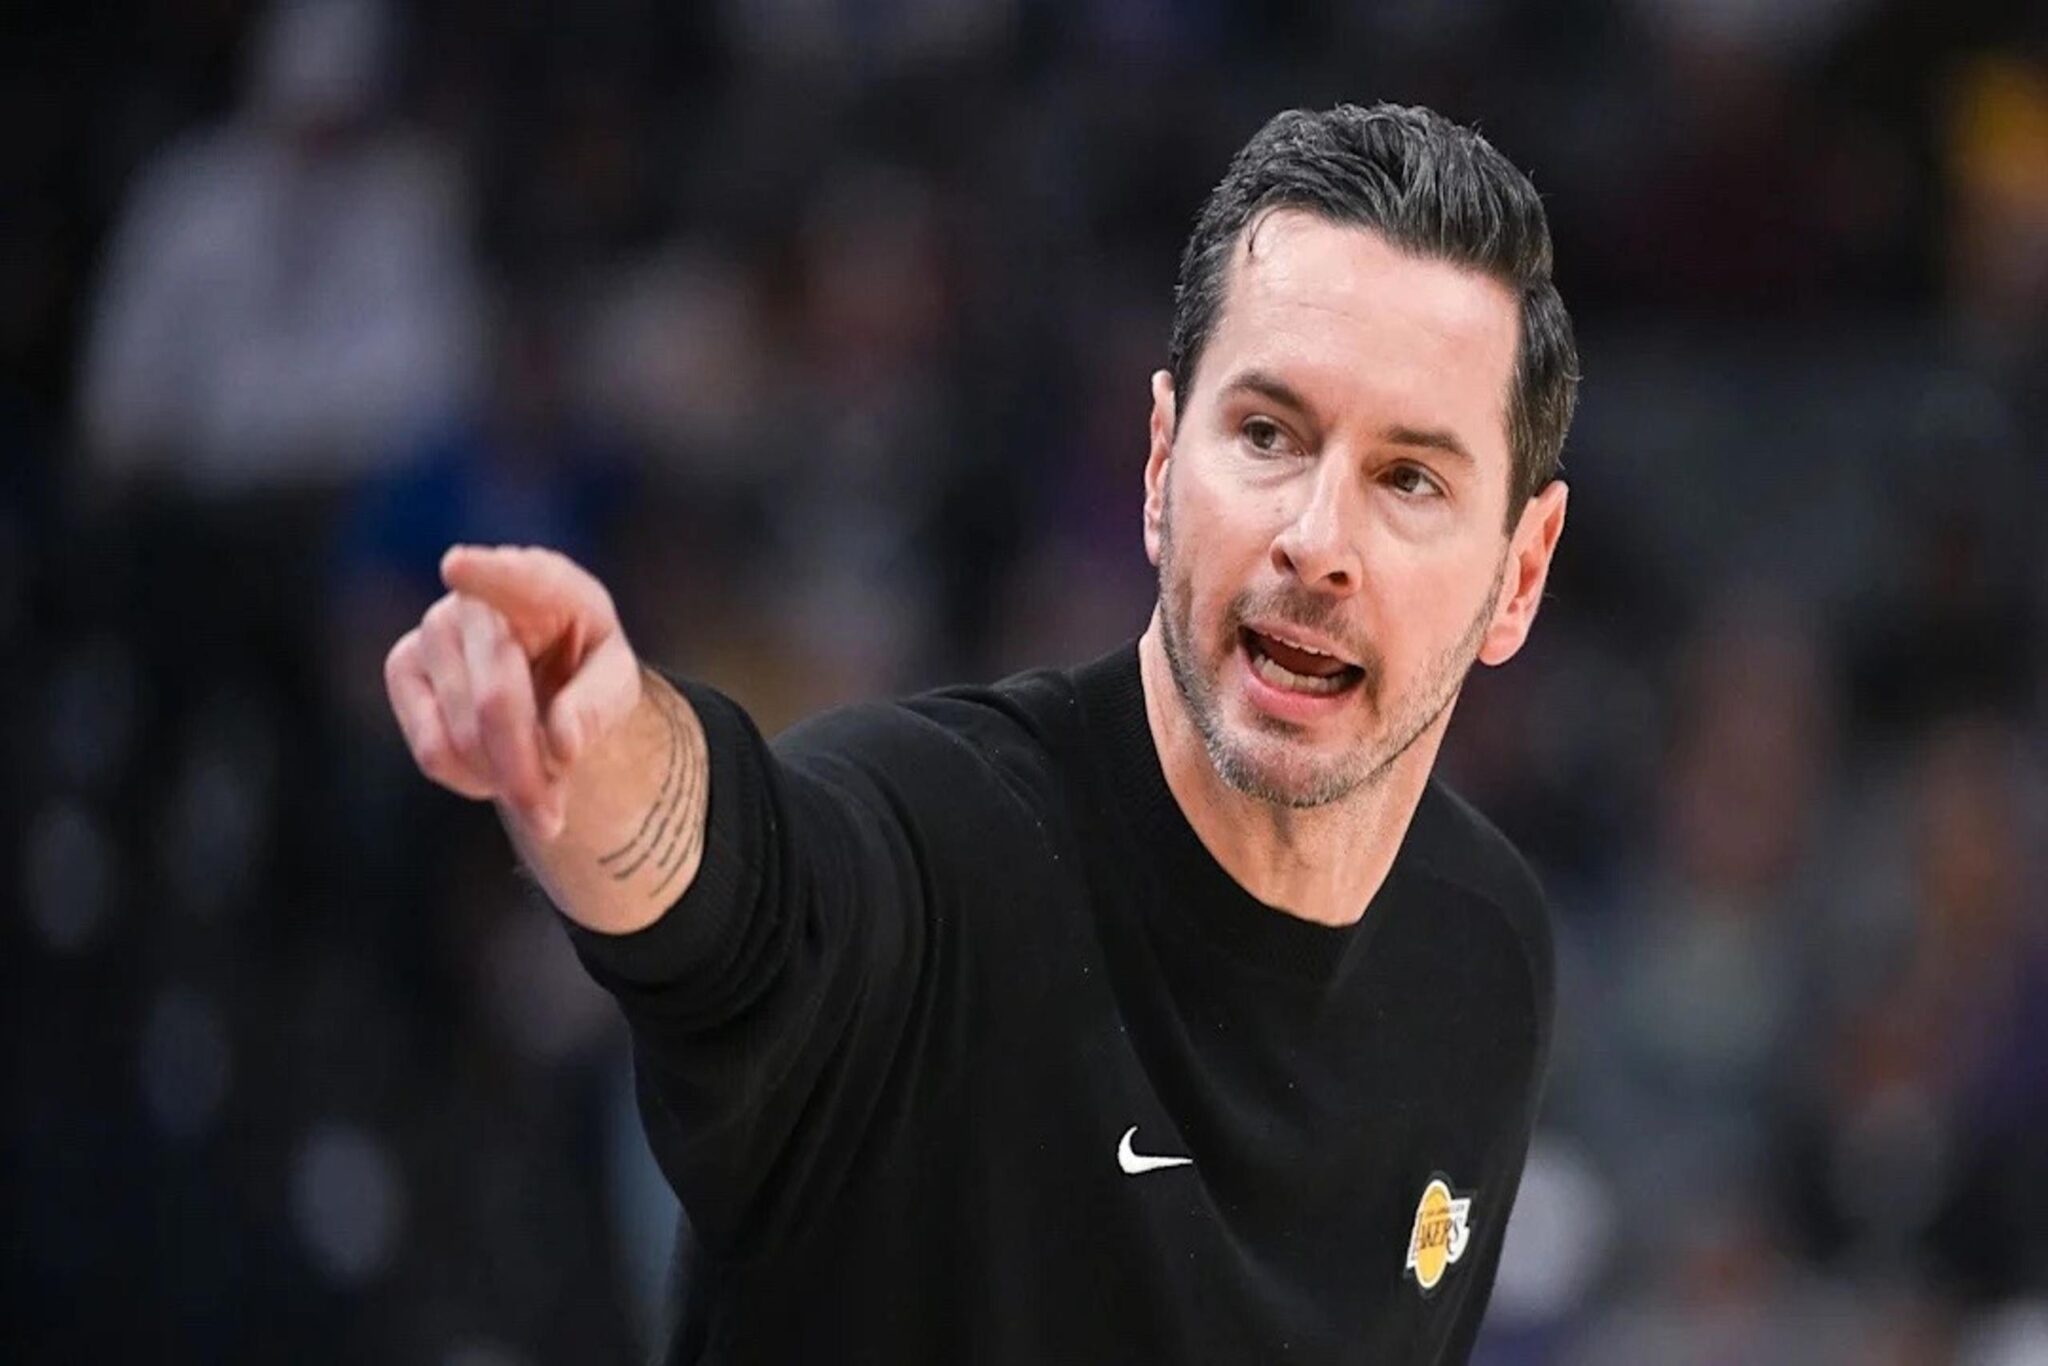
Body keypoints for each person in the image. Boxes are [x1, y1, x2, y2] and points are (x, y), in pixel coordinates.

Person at [385, 101, 1577, 1364]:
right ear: (1160, 465)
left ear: (1517, 574)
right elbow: (735, 888)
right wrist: (598, 741)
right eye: (1267, 434)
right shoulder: (939, 841)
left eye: (1408, 480)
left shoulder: (1484, 953)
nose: (1316, 540)